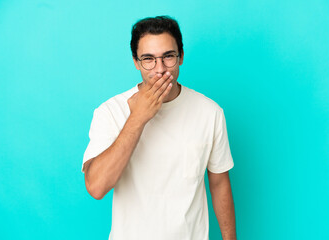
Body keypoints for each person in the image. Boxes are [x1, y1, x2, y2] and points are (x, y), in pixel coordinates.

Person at [82, 16, 237, 240]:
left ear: (181, 56)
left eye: (168, 57)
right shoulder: (110, 112)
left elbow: (219, 182)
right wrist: (138, 117)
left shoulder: (210, 112)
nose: (160, 69)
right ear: (136, 62)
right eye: (148, 59)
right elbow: (96, 187)